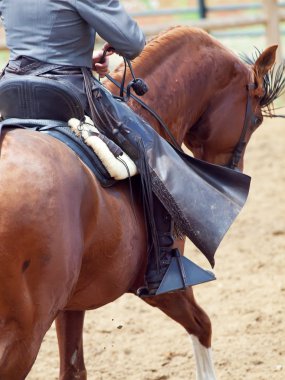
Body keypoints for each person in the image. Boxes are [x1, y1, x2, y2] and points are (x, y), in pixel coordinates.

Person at [0, 0, 238, 297]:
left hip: (10, 89)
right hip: (66, 89)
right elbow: (132, 41)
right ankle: (161, 262)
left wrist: (77, 54)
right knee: (151, 149)